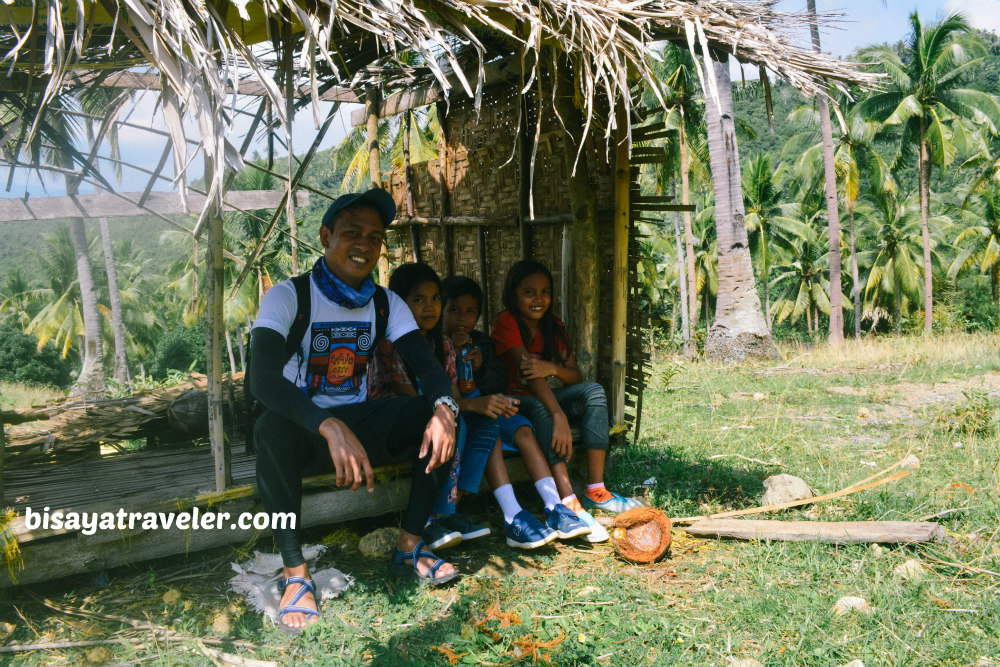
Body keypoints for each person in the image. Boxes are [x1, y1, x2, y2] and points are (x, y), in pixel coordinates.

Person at [248, 189, 461, 635]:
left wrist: (445, 409)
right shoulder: (288, 297)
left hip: (358, 430)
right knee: (270, 428)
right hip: (302, 430)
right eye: (351, 233)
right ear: (326, 237)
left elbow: (426, 368)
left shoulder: (385, 303)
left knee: (438, 416)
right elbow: (262, 381)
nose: (364, 244)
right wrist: (327, 425)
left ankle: (410, 544)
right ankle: (295, 575)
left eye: (374, 236)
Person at [441, 275, 604, 545]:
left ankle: (555, 507)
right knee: (491, 432)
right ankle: (512, 514)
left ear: (478, 316)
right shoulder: (439, 344)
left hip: (493, 404)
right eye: (454, 310)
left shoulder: (482, 343)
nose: (461, 319)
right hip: (469, 412)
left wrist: (481, 367)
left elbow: (499, 381)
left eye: (470, 312)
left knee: (525, 431)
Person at [369, 262, 515, 549]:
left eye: (435, 299)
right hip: (393, 423)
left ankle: (448, 509)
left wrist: (480, 405)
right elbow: (414, 402)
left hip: (429, 414)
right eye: (418, 299)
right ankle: (430, 518)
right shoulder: (389, 343)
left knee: (486, 424)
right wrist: (472, 405)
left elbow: (453, 396)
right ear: (399, 304)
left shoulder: (443, 344)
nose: (429, 307)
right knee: (453, 421)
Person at [491, 259, 642, 522]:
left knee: (593, 391)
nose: (539, 299)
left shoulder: (553, 326)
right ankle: (566, 498)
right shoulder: (507, 322)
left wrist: (552, 367)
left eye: (545, 292)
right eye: (529, 292)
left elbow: (574, 376)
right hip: (512, 402)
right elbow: (530, 373)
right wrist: (559, 414)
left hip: (543, 398)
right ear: (513, 295)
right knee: (543, 408)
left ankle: (596, 490)